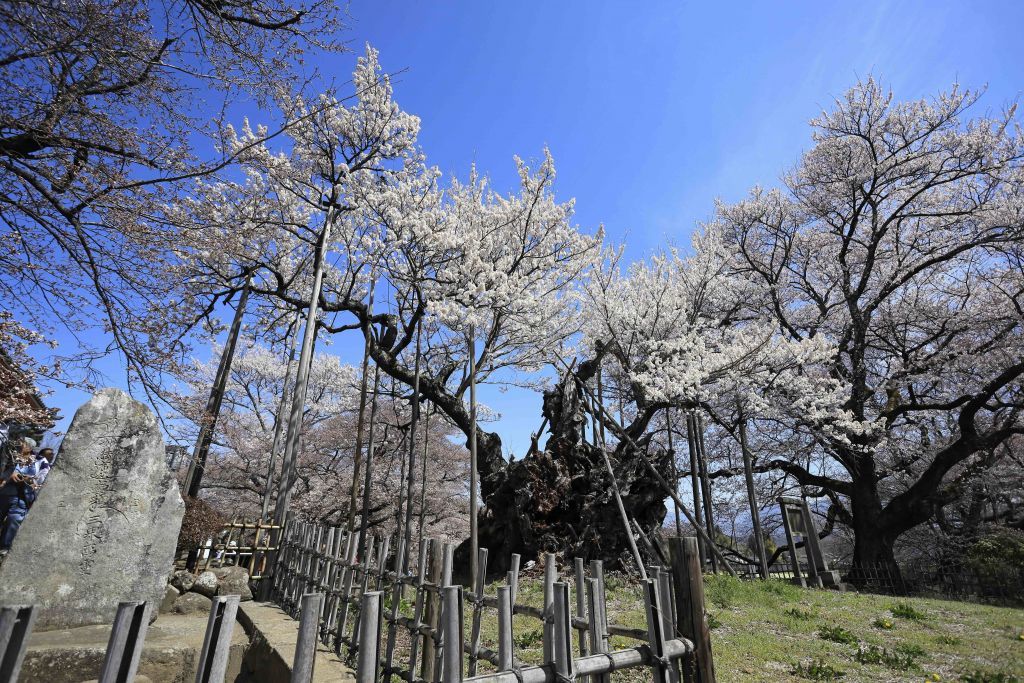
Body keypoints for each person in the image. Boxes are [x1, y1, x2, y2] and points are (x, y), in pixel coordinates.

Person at [0, 438, 43, 555]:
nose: (19, 444)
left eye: (22, 443)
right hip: (4, 493)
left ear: (29, 448)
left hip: (21, 496)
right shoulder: (10, 457)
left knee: (13, 519)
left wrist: (24, 477)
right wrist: (10, 473)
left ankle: (4, 547)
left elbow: (34, 477)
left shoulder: (35, 461)